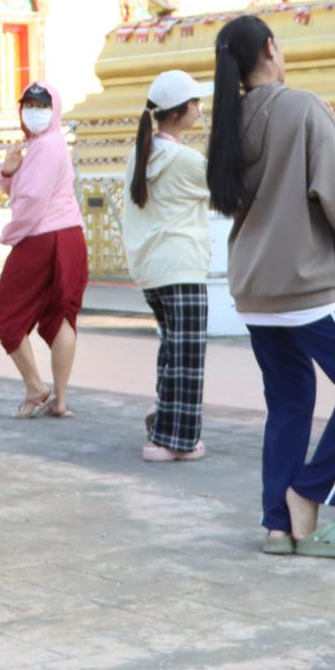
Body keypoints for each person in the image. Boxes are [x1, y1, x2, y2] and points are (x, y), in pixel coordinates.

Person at [205, 16, 335, 558]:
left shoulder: (227, 122)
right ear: (270, 48)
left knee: (289, 404)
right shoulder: (302, 107)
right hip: (307, 285)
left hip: (256, 290)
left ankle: (279, 526)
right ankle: (309, 492)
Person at [120, 67, 212, 462]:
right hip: (182, 264)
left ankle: (163, 425)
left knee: (173, 351)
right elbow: (227, 185)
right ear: (180, 111)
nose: (199, 109)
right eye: (195, 104)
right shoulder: (183, 159)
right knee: (187, 356)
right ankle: (177, 441)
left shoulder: (142, 154)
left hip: (154, 269)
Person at [0, 81, 86, 418]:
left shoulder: (45, 147)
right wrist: (8, 171)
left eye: (40, 106)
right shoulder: (48, 144)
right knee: (59, 315)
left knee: (4, 311)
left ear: (54, 109)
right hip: (68, 235)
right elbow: (25, 189)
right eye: (27, 105)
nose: (32, 112)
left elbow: (31, 201)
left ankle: (35, 386)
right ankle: (59, 400)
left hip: (43, 237)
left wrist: (9, 234)